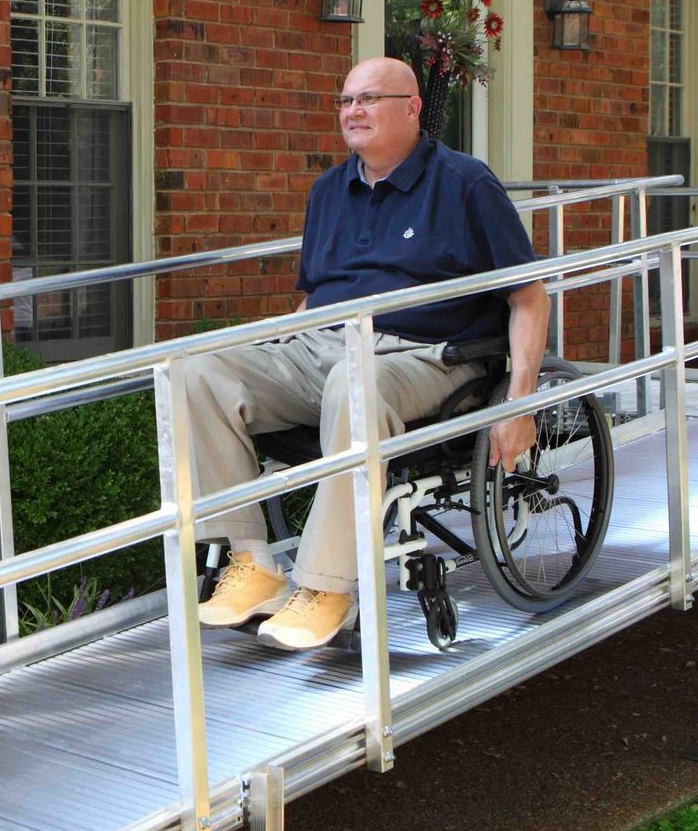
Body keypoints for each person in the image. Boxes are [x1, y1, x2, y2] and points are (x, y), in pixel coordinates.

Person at [190, 56, 548, 650]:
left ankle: (327, 587)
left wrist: (519, 401)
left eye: (370, 99)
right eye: (346, 100)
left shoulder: (465, 184)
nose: (353, 111)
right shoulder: (329, 191)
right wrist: (267, 351)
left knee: (353, 384)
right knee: (199, 372)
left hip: (428, 354)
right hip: (326, 341)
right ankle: (252, 562)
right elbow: (315, 297)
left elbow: (529, 297)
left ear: (412, 109)